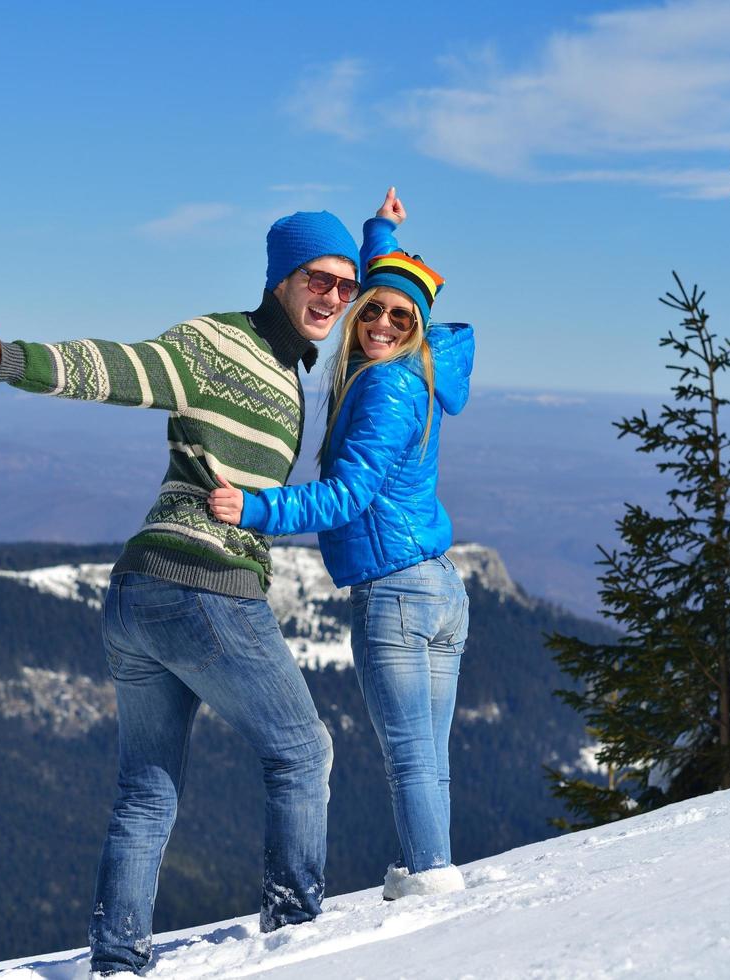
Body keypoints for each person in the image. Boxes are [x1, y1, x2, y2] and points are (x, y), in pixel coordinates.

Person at [0, 211, 360, 975]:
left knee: (146, 791)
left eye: (345, 284)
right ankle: (298, 935)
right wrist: (8, 360)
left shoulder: (288, 365)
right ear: (282, 279)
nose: (333, 297)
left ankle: (116, 958)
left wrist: (382, 235)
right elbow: (123, 369)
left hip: (136, 593)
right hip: (206, 589)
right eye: (318, 280)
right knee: (302, 753)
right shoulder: (217, 344)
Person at [209, 187, 475, 900]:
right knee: (428, 755)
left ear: (415, 328)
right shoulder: (423, 371)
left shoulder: (386, 387)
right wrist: (380, 231)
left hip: (395, 592)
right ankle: (433, 865)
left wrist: (253, 507)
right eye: (372, 307)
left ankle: (432, 882)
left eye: (398, 317)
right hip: (439, 587)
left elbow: (346, 495)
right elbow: (387, 281)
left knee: (410, 756)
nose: (380, 322)